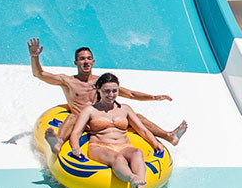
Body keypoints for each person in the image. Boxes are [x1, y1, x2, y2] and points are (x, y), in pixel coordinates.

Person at [28, 38, 186, 151]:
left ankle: (169, 136)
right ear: (75, 63)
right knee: (73, 116)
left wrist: (153, 97)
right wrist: (35, 57)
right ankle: (58, 142)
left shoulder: (101, 82)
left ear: (93, 62)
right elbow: (39, 74)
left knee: (137, 117)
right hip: (81, 122)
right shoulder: (67, 81)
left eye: (89, 58)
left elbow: (129, 93)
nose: (86, 62)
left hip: (102, 120)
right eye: (82, 59)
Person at [70, 73, 166, 188]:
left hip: (123, 145)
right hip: (100, 146)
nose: (111, 95)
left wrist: (155, 143)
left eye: (114, 91)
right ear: (99, 90)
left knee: (137, 152)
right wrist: (75, 146)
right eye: (107, 91)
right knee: (118, 158)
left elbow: (142, 130)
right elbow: (76, 132)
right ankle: (132, 178)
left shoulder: (125, 109)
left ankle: (141, 187)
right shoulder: (90, 110)